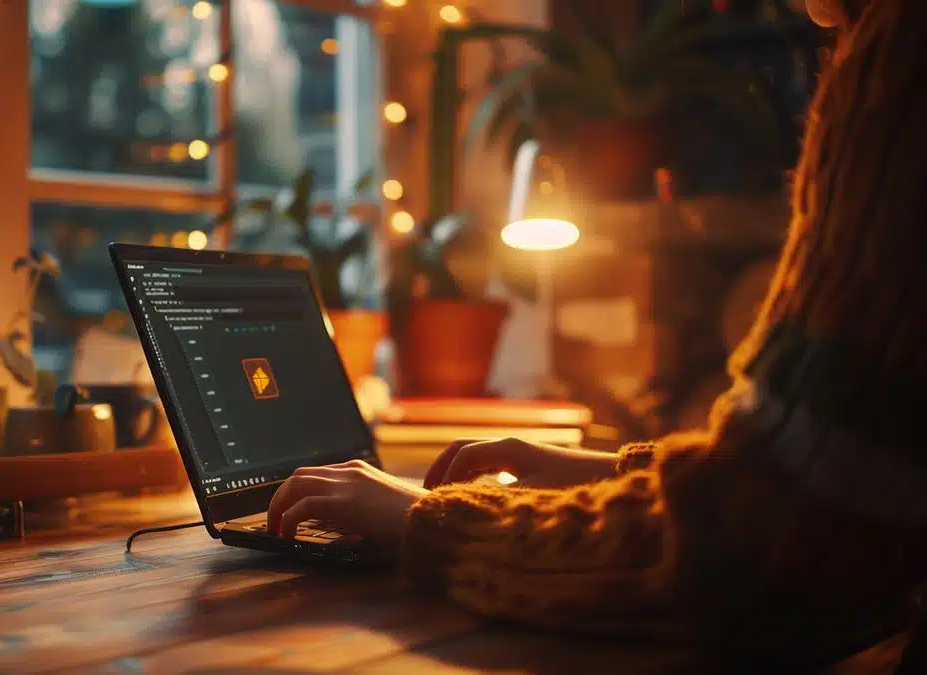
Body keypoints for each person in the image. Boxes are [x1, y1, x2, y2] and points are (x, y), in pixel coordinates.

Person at [266, 0, 927, 668]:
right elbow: (864, 479)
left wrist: (424, 522)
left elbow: (760, 548)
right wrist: (608, 471)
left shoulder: (902, 58)